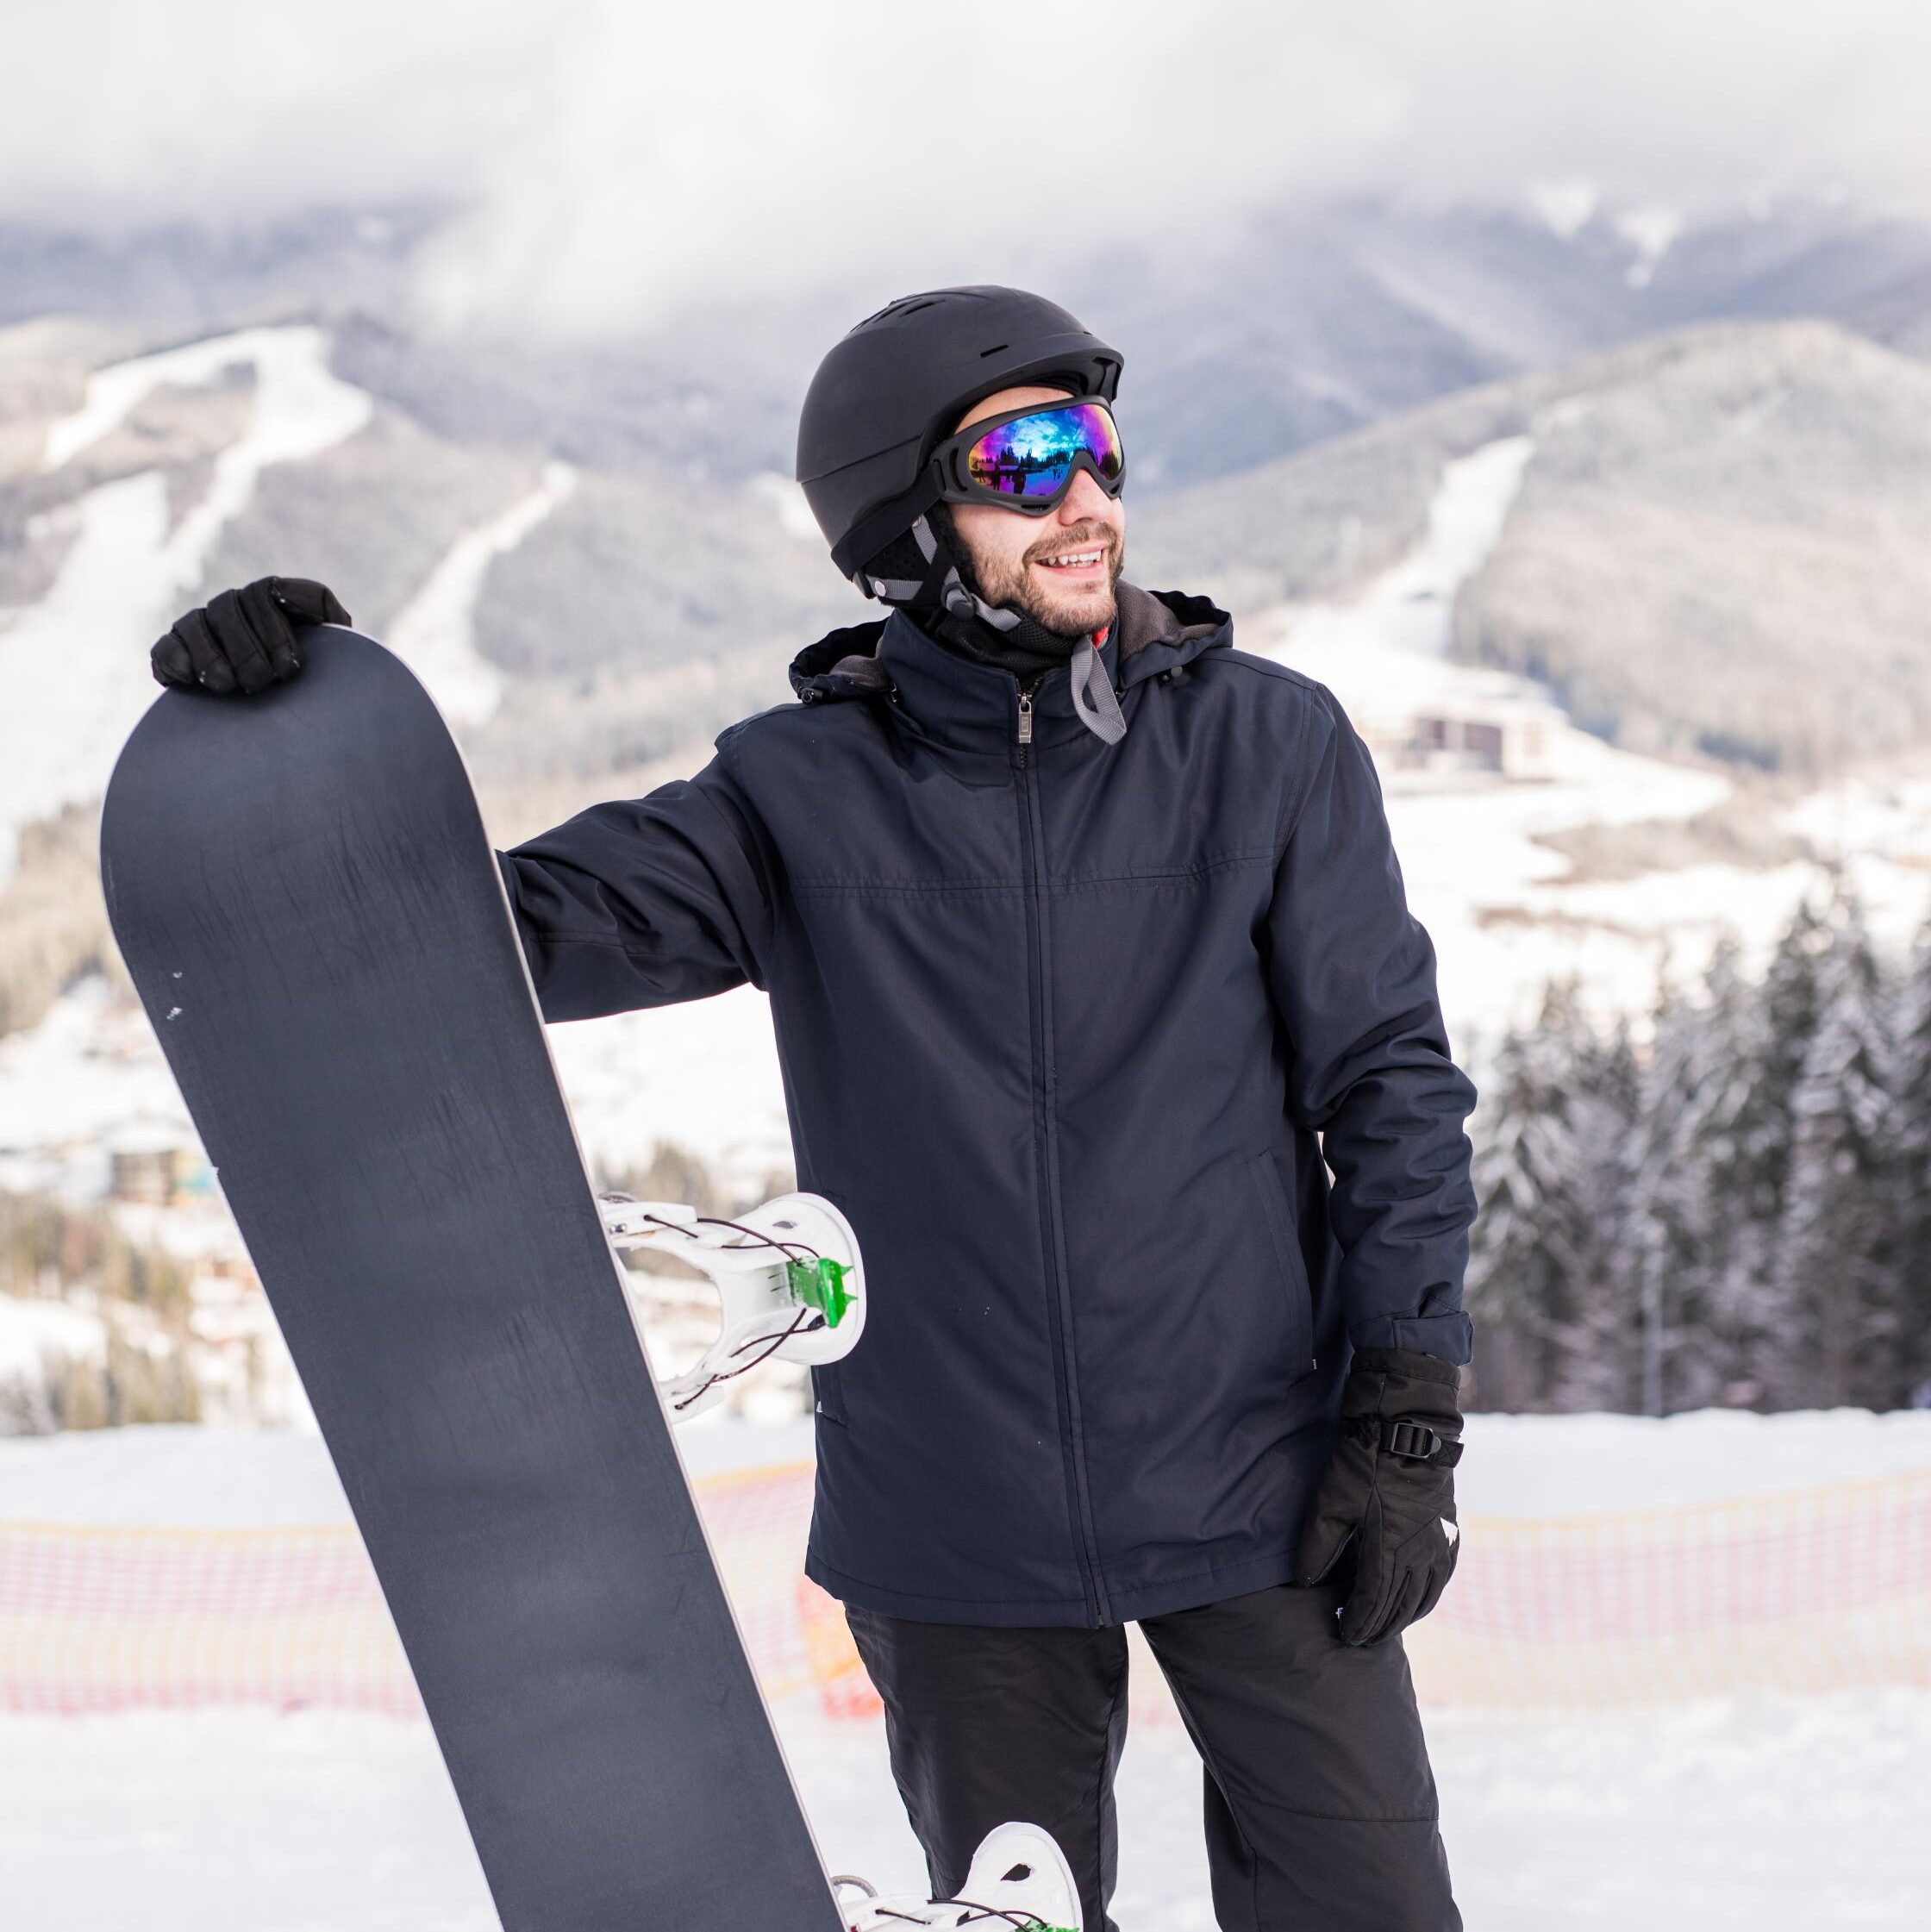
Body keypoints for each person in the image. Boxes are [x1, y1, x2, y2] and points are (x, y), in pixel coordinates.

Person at [151, 285, 1478, 1932]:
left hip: (1263, 1489)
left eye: (1101, 447)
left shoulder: (1265, 745)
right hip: (955, 1526)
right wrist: (283, 743)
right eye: (1026, 456)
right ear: (907, 522)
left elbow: (1393, 1088)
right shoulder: (795, 794)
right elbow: (484, 941)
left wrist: (1407, 1406)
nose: (1089, 498)